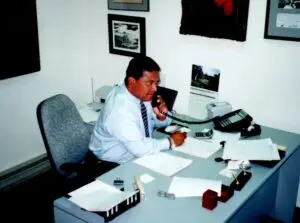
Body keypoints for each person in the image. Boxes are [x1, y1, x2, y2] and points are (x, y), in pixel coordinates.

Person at [89, 56, 187, 164]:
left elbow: (150, 123)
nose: (155, 89)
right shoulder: (120, 110)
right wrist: (170, 142)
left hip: (136, 153)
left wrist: (162, 117)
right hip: (111, 165)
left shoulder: (140, 95)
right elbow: (140, 149)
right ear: (132, 81)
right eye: (149, 82)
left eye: (156, 82)